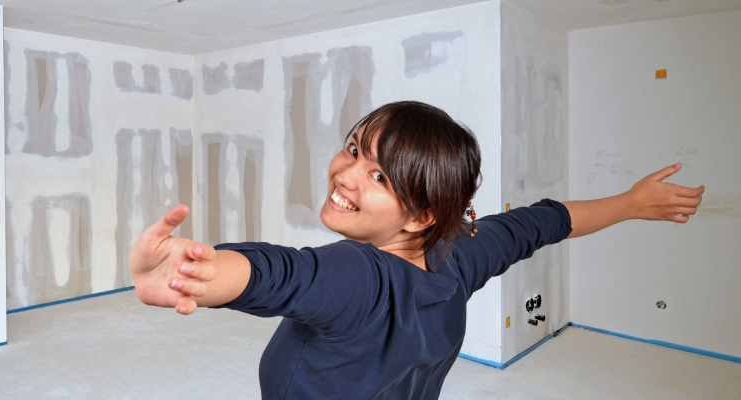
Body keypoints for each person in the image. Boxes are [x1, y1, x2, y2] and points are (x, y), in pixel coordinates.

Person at [127, 101, 704, 399]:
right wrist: (629, 203)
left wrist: (193, 271)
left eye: (379, 176)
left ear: (423, 213)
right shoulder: (463, 250)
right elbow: (544, 223)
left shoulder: (357, 276)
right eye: (354, 149)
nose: (346, 174)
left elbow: (281, 273)